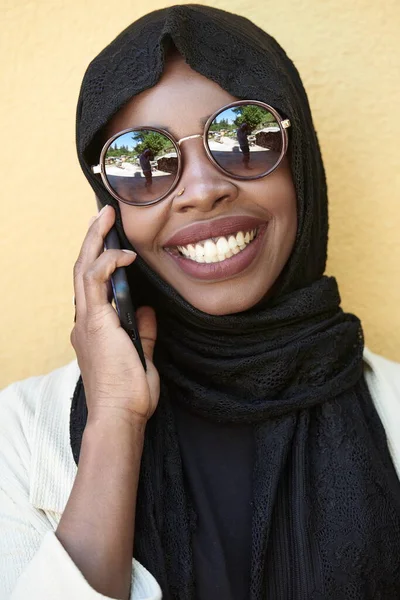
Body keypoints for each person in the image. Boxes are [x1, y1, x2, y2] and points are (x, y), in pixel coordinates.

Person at [1, 5, 400, 600]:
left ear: (301, 164)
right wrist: (113, 419)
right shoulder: (20, 435)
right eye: (141, 161)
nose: (204, 191)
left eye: (245, 135)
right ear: (108, 207)